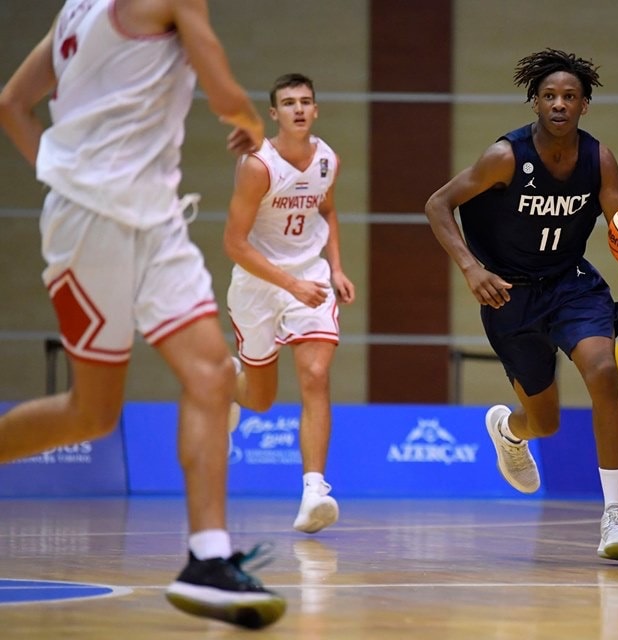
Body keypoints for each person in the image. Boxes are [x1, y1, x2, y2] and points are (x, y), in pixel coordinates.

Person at [0, 0, 285, 629]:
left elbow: (10, 104)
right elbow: (226, 95)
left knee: (210, 373)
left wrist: (56, 174)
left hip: (155, 220)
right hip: (94, 221)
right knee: (91, 411)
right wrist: (251, 126)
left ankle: (208, 558)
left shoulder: (76, 10)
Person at [425, 48, 618, 561]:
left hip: (570, 283)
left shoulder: (599, 159)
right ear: (535, 102)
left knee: (603, 370)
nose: (559, 104)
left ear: (584, 107)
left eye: (570, 97)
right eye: (550, 96)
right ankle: (511, 432)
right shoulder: (505, 156)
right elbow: (437, 204)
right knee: (546, 422)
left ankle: (615, 517)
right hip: (509, 293)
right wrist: (471, 267)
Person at [223, 73, 355, 534]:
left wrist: (335, 268)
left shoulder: (327, 160)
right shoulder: (257, 166)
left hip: (310, 278)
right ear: (274, 113)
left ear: (315, 109)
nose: (298, 109)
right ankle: (226, 389)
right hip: (258, 280)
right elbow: (234, 244)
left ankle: (314, 491)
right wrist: (288, 284)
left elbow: (328, 210)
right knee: (259, 400)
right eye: (288, 103)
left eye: (306, 101)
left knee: (316, 375)